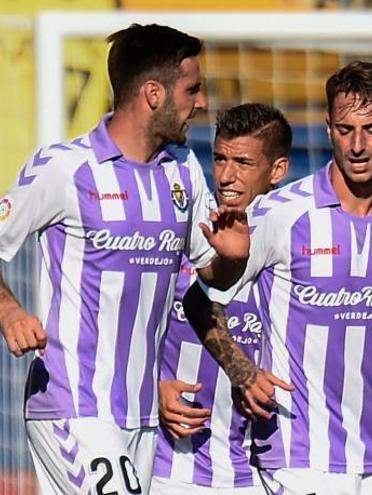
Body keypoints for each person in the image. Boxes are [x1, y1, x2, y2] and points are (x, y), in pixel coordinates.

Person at [0, 24, 249, 494]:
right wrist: (9, 309)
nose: (200, 103)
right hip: (73, 406)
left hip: (142, 417)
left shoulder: (183, 172)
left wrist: (233, 258)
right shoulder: (63, 168)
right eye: (192, 89)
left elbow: (206, 278)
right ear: (153, 94)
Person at [184, 61, 372, 495]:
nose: (357, 145)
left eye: (371, 129)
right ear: (327, 127)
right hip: (298, 456)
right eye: (344, 128)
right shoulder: (281, 212)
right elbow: (200, 299)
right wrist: (241, 369)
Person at [152, 103, 292, 494]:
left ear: (277, 171)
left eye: (243, 163)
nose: (226, 176)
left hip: (257, 475)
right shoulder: (183, 235)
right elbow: (123, 329)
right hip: (170, 470)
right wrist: (154, 389)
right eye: (219, 158)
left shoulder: (295, 246)